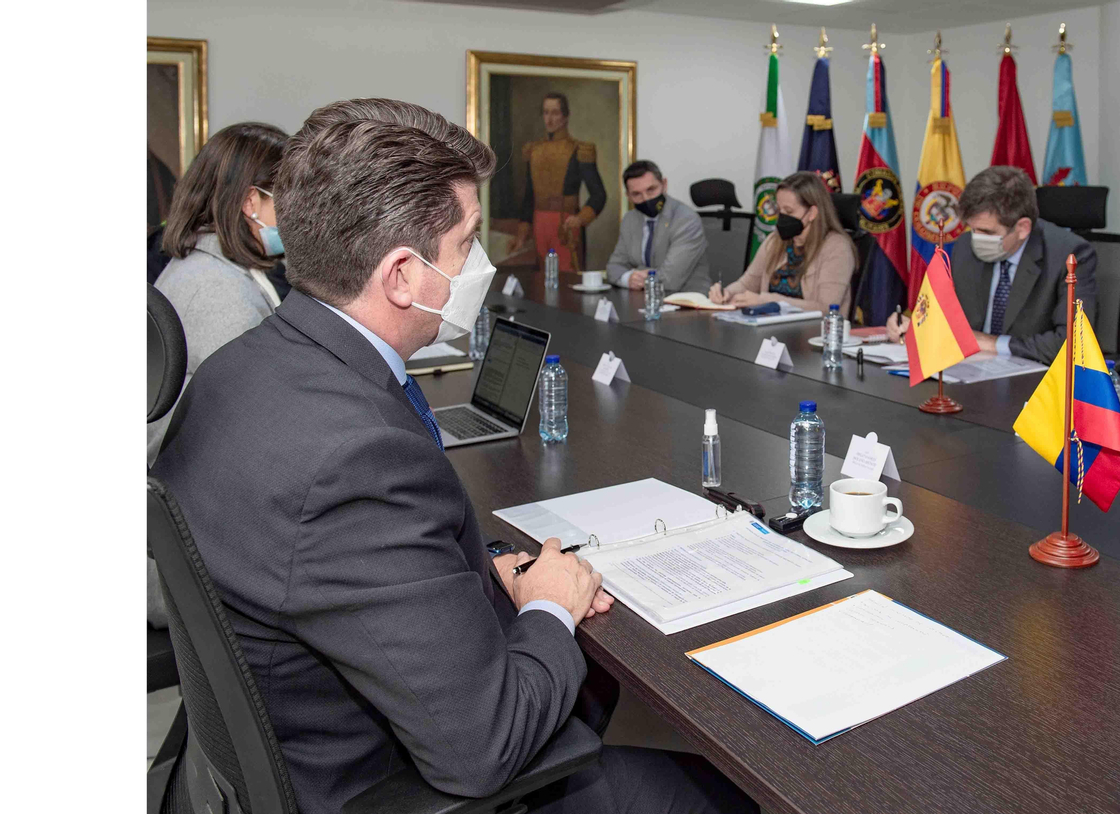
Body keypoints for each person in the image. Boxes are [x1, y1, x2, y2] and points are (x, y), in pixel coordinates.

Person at [152, 98, 756, 814]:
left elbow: (342, 567)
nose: (486, 264)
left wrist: (475, 568)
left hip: (290, 737)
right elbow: (484, 747)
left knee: (596, 688)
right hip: (365, 783)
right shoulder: (357, 458)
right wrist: (552, 609)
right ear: (402, 276)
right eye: (469, 242)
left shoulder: (240, 370)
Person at [148, 121, 289, 467]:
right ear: (250, 202)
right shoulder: (220, 293)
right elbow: (255, 421)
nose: (298, 212)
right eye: (288, 197)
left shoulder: (207, 262)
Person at [883, 166, 1097, 363]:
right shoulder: (965, 247)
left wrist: (992, 343)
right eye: (972, 229)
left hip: (1035, 384)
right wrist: (915, 325)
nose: (976, 238)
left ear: (1022, 228)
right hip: (967, 374)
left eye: (987, 232)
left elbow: (1073, 344)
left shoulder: (1069, 256)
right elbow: (946, 316)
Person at [709, 171, 855, 313]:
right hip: (769, 331)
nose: (782, 218)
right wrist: (726, 293)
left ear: (812, 213)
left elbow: (826, 308)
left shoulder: (837, 247)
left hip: (814, 333)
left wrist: (771, 301)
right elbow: (747, 283)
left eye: (789, 211)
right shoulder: (775, 240)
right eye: (780, 210)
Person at [508, 92, 608, 270]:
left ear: (565, 116)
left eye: (555, 113)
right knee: (541, 280)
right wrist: (523, 234)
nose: (550, 119)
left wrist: (580, 218)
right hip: (539, 223)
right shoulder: (534, 150)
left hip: (566, 224)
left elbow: (599, 194)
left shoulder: (579, 150)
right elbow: (529, 196)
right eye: (546, 113)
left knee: (567, 279)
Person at [605, 160, 711, 293]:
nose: (646, 199)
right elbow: (613, 267)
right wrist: (628, 278)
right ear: (628, 197)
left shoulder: (686, 220)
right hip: (643, 300)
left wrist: (637, 273)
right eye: (636, 194)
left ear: (664, 185)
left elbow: (670, 280)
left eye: (651, 190)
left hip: (686, 302)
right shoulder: (630, 220)